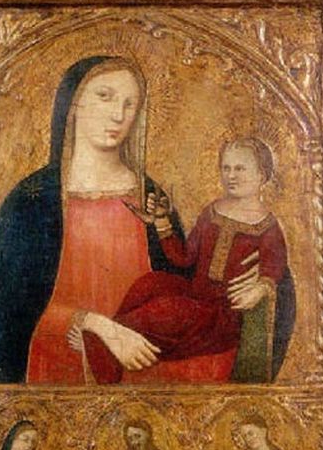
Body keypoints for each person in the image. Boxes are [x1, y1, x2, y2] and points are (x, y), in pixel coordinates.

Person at [0, 56, 187, 384]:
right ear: (73, 104)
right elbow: (11, 310)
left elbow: (181, 296)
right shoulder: (32, 199)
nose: (118, 115)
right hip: (56, 365)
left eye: (130, 104)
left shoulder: (152, 199)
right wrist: (96, 324)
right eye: (105, 97)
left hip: (138, 370)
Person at [83, 137, 295, 382]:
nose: (231, 175)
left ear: (262, 175)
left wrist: (261, 287)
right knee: (150, 283)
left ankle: (106, 347)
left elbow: (274, 266)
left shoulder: (267, 226)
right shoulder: (212, 212)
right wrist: (162, 221)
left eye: (240, 169)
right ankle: (113, 337)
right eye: (226, 168)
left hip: (222, 315)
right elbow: (184, 259)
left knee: (168, 310)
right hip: (194, 293)